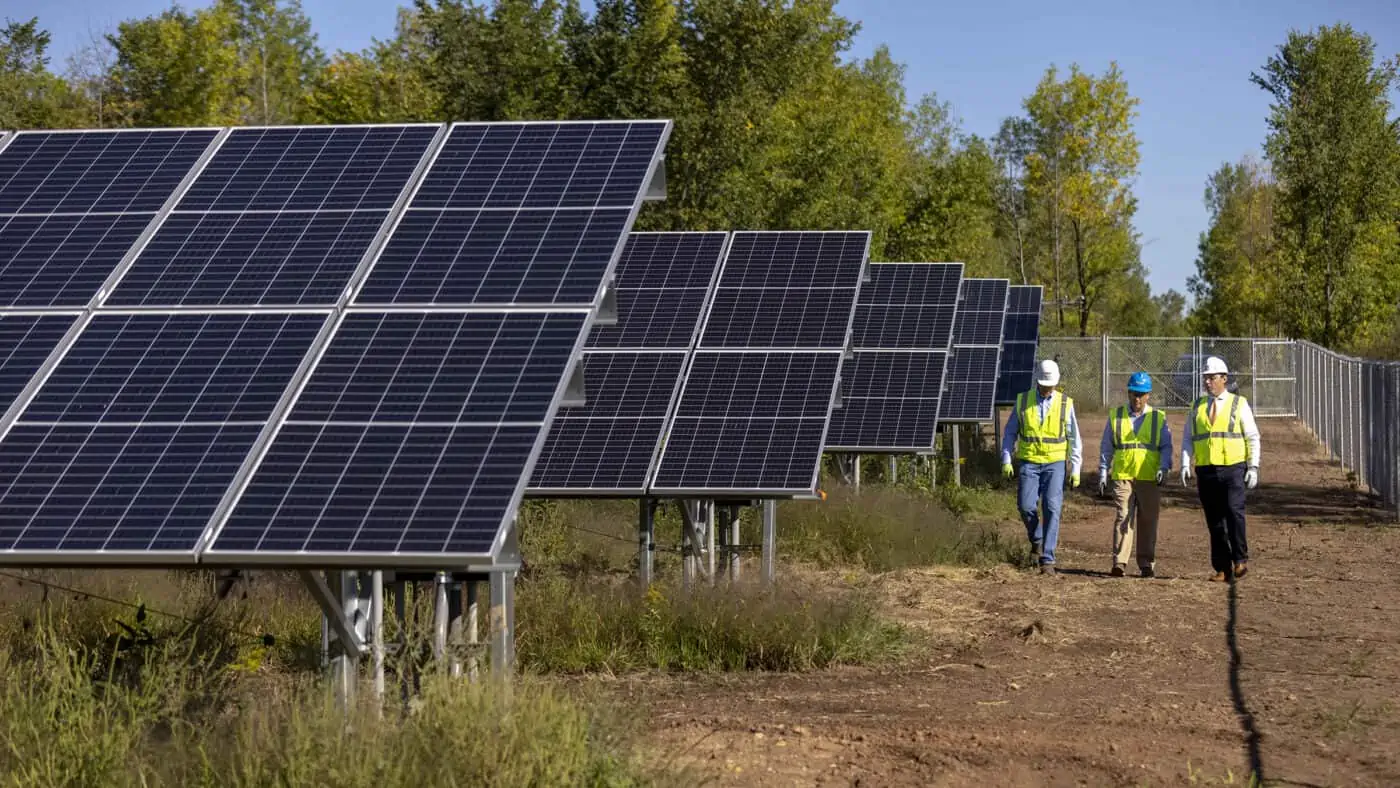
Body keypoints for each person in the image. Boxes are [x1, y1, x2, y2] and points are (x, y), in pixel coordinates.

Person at [1180, 356, 1261, 582]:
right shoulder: (1197, 406)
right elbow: (1188, 437)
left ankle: (1240, 560)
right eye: (1205, 378)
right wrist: (1185, 463)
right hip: (1206, 469)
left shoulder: (1239, 403)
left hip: (1233, 468)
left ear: (1223, 379)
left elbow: (1252, 437)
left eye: (1212, 378)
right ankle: (1222, 567)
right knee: (1214, 520)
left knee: (1234, 513)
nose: (1207, 382)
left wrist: (1253, 466)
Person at [1001, 359, 1082, 576]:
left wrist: (1075, 468)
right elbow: (1010, 432)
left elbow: (1074, 438)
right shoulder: (1023, 401)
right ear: (1038, 382)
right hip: (1029, 461)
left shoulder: (1066, 404)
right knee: (1026, 505)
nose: (1048, 389)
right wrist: (1007, 459)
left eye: (1051, 385)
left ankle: (1048, 558)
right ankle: (1037, 538)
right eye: (1045, 385)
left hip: (1055, 464)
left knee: (1052, 507)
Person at [1098, 372, 1172, 578]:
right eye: (1133, 394)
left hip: (1149, 477)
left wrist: (1164, 467)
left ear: (1148, 395)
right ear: (1128, 393)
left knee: (1148, 520)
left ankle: (1146, 563)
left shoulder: (1158, 418)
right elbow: (1107, 446)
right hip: (1123, 475)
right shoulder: (1116, 416)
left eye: (1141, 394)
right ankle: (1119, 562)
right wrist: (1103, 470)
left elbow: (1166, 446)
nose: (1137, 399)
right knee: (1123, 517)